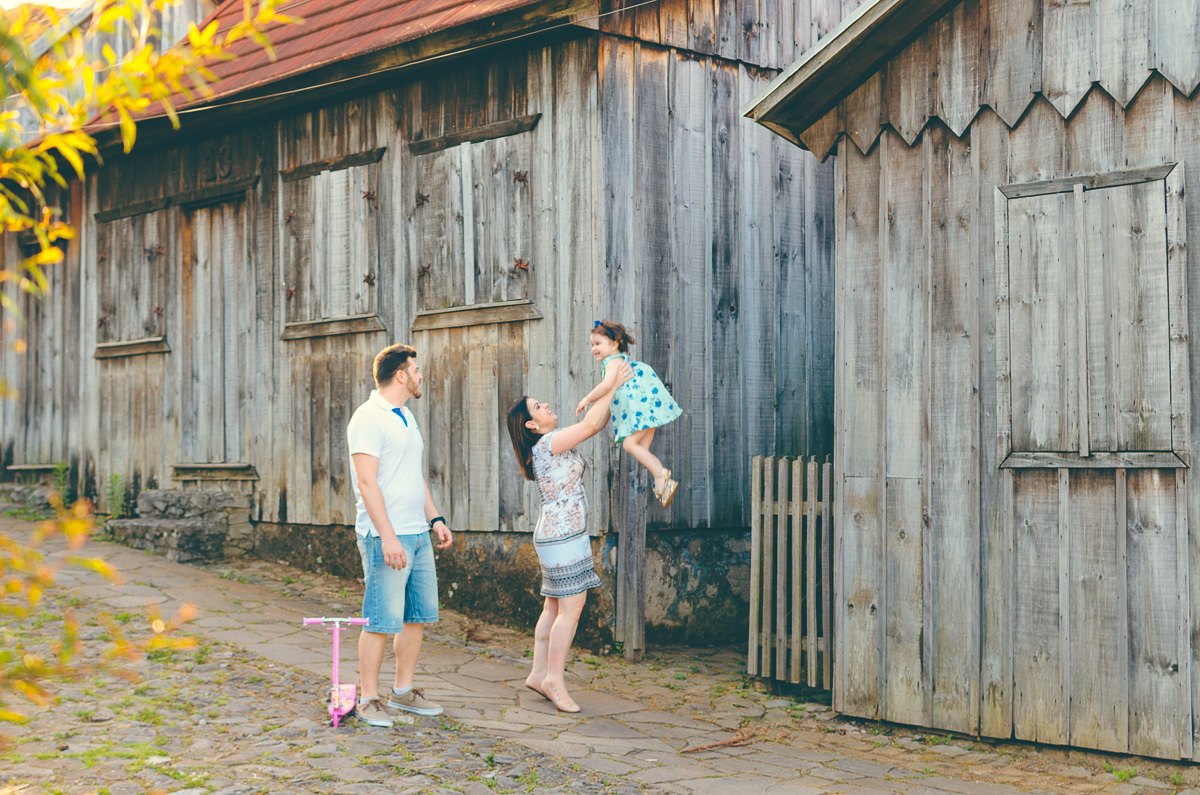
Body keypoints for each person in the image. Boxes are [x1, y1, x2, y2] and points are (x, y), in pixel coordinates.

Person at [505, 364, 632, 713]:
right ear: (532, 425)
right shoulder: (547, 444)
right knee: (571, 611)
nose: (545, 406)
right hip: (561, 536)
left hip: (556, 533)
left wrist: (610, 391)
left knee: (553, 607)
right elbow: (592, 424)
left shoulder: (545, 445)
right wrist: (612, 384)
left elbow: (598, 422)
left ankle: (538, 672)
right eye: (538, 407)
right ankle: (554, 680)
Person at [346, 342, 453, 727]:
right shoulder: (367, 418)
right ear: (401, 375)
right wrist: (387, 536)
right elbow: (366, 482)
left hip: (418, 534)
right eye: (416, 370)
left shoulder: (406, 416)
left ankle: (403, 692)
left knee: (416, 617)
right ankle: (369, 698)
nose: (421, 376)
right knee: (380, 619)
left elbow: (413, 476)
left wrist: (435, 518)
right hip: (384, 538)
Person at [575, 319, 683, 506]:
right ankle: (665, 487)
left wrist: (587, 399)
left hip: (642, 413)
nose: (594, 348)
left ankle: (661, 475)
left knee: (629, 445)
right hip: (648, 410)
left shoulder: (612, 362)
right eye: (592, 344)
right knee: (641, 450)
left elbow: (607, 386)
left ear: (615, 344)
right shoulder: (621, 361)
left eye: (598, 344)